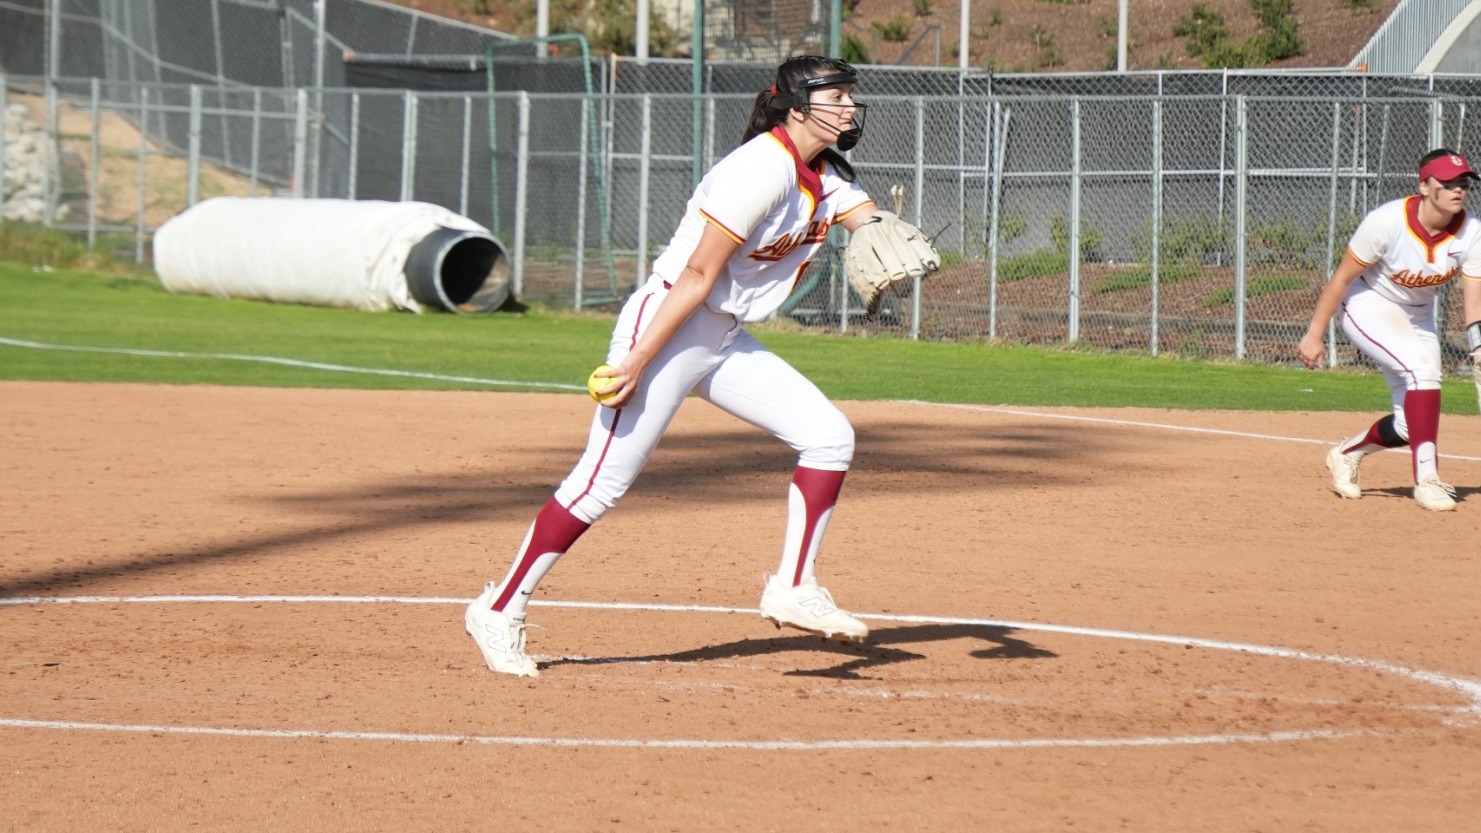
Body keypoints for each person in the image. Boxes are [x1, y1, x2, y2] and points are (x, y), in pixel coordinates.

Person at [465, 56, 890, 678]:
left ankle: (794, 585)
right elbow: (696, 274)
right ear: (797, 106)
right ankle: (498, 610)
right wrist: (638, 360)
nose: (850, 107)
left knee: (829, 437)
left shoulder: (823, 172)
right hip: (668, 324)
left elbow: (865, 217)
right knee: (600, 484)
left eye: (852, 96)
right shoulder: (759, 170)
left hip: (721, 335)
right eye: (838, 97)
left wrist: (886, 230)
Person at [1298, 148, 1481, 511]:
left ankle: (1346, 453)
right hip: (1369, 304)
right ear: (1424, 185)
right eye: (1447, 183)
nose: (1457, 190)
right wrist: (1314, 334)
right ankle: (1427, 480)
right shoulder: (1387, 222)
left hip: (1419, 313)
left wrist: (1478, 345)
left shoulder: (1472, 232)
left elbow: (1474, 300)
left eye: (1463, 183)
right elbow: (1341, 279)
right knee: (1424, 371)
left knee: (1411, 425)